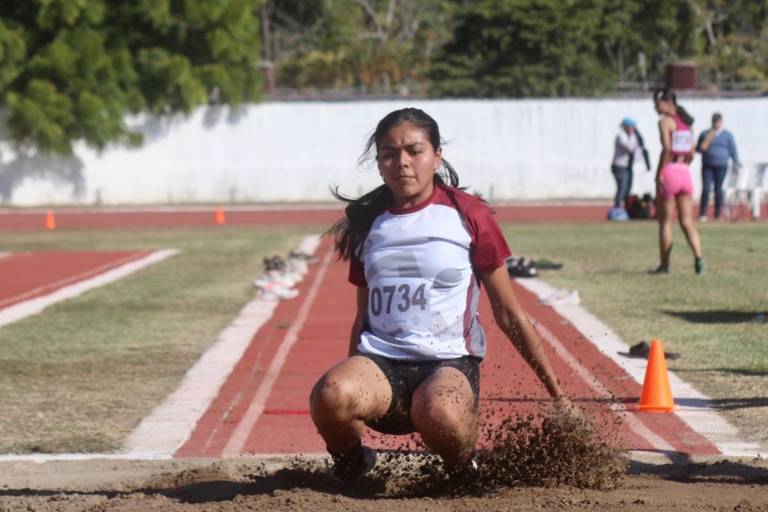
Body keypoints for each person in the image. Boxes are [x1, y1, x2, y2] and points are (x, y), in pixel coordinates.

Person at [310, 107, 578, 483]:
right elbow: (363, 315)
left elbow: (508, 312)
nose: (402, 162)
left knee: (440, 414)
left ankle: (461, 468)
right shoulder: (368, 223)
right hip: (382, 366)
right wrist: (353, 385)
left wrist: (558, 396)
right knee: (329, 394)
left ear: (436, 157)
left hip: (447, 366)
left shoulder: (468, 215)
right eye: (389, 154)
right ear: (380, 164)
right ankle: (352, 463)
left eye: (414, 151)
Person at [651, 88, 704, 274]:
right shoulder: (686, 122)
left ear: (666, 102)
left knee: (665, 222)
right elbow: (691, 150)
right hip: (685, 173)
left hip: (670, 172)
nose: (655, 108)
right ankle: (699, 260)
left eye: (656, 104)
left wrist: (659, 174)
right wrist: (684, 163)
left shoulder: (665, 122)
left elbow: (666, 148)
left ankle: (665, 266)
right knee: (688, 221)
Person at [696, 112, 742, 221]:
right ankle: (703, 214)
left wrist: (737, 162)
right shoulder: (705, 133)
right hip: (707, 165)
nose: (716, 123)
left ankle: (717, 214)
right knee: (706, 188)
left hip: (721, 165)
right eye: (714, 121)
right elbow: (699, 149)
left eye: (718, 121)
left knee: (718, 189)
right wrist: (707, 141)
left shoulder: (727, 135)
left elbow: (733, 150)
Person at [611, 118, 644, 209]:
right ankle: (617, 207)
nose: (633, 129)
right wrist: (638, 145)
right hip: (619, 166)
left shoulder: (633, 137)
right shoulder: (621, 136)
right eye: (631, 127)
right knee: (622, 187)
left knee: (628, 188)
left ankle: (626, 208)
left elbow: (638, 152)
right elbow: (630, 148)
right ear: (626, 127)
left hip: (628, 165)